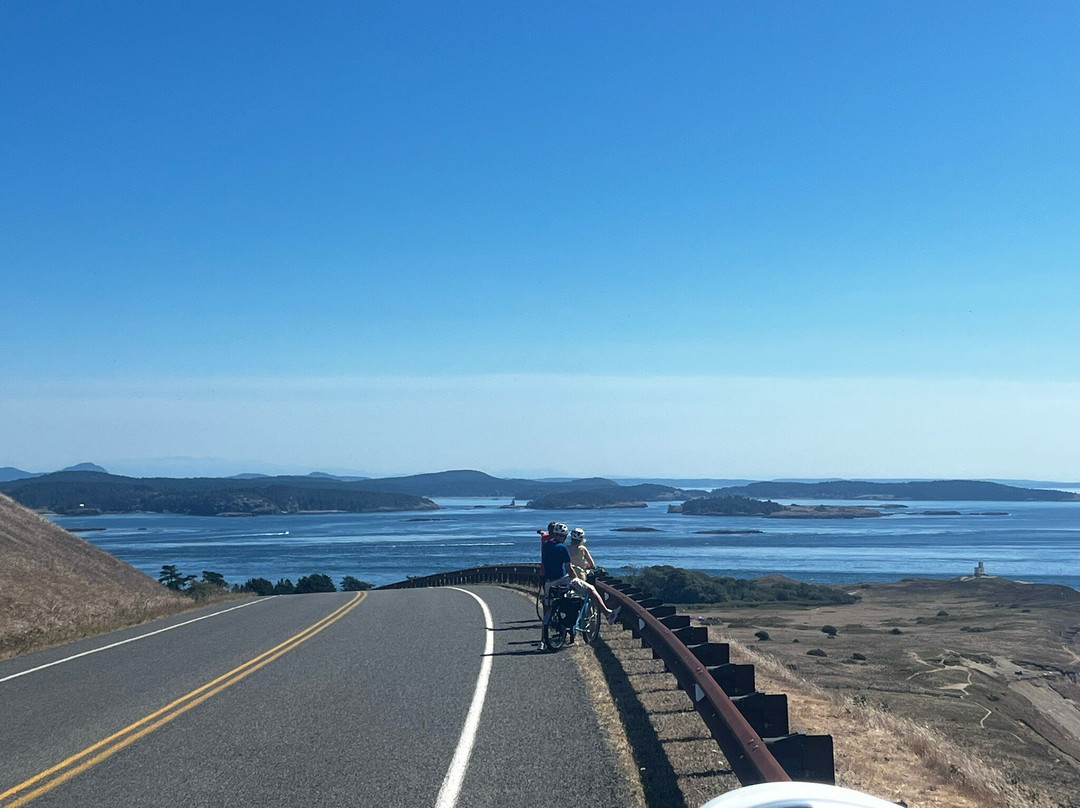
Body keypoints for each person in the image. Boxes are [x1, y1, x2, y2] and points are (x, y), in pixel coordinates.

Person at [538, 523, 620, 652]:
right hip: (562, 580)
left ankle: (542, 640)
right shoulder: (562, 548)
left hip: (549, 582)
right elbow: (569, 569)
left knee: (548, 608)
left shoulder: (547, 546)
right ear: (564, 536)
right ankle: (608, 613)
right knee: (591, 590)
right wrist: (575, 578)